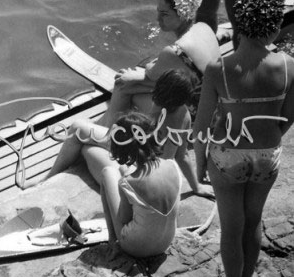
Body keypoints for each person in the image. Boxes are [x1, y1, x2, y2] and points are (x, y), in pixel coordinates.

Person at [192, 0, 294, 277]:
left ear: (239, 23)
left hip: (226, 157)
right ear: (275, 26)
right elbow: (288, 116)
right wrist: (270, 136)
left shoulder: (219, 69)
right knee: (253, 222)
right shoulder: (289, 67)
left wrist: (200, 166)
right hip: (267, 155)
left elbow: (201, 127)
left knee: (231, 228)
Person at [24, 69, 214, 199]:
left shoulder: (160, 112)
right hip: (139, 164)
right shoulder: (183, 115)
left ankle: (47, 179)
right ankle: (50, 176)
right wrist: (196, 187)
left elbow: (142, 155)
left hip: (133, 176)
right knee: (80, 131)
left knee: (83, 142)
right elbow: (181, 156)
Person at [99, 0, 220, 128]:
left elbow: (151, 73)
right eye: (158, 12)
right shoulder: (205, 27)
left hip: (193, 116)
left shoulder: (176, 50)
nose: (158, 19)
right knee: (133, 82)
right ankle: (110, 126)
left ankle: (108, 135)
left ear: (183, 14)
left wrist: (138, 73)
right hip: (214, 107)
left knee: (123, 84)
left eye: (164, 14)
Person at [101, 111, 181, 257]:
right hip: (165, 242)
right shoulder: (173, 166)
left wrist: (124, 180)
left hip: (136, 247)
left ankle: (112, 241)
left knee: (107, 172)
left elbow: (123, 219)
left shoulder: (127, 183)